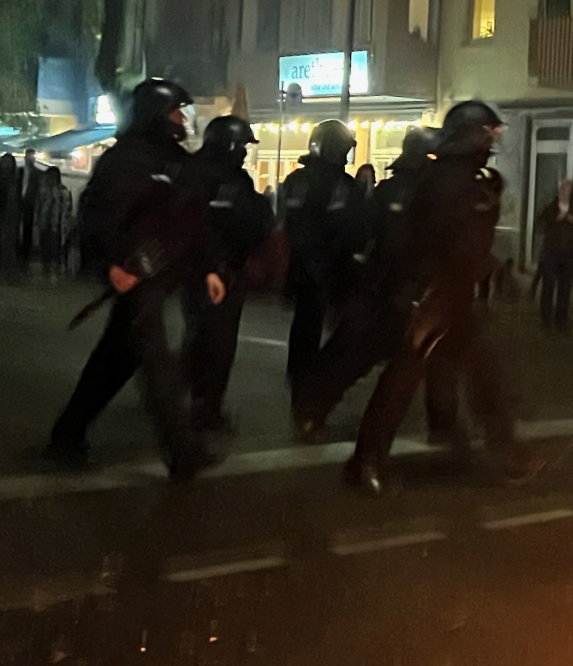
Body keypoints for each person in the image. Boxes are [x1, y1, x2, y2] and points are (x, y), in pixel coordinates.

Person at [343, 101, 533, 495]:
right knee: (402, 379)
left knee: (484, 374)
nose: (492, 141)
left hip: (450, 296)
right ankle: (365, 464)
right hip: (432, 296)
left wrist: (490, 268)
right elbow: (445, 240)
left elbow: (466, 240)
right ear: (470, 136)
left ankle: (507, 452)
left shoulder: (458, 176)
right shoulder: (449, 179)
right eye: (487, 134)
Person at [46, 78, 221, 480]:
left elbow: (193, 220)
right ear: (157, 114)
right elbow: (97, 218)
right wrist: (112, 265)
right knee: (157, 363)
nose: (183, 120)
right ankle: (182, 453)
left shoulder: (177, 161)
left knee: (115, 359)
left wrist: (208, 265)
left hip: (161, 275)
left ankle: (67, 433)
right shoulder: (126, 160)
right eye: (177, 112)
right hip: (135, 276)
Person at [290, 127, 463, 444]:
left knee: (427, 355)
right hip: (400, 292)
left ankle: (315, 409)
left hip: (395, 289)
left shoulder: (390, 191)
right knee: (370, 355)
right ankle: (322, 414)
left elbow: (365, 236)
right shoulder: (419, 195)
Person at [179, 116, 274, 434]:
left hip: (208, 269)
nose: (246, 152)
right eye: (243, 145)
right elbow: (242, 220)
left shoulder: (200, 171)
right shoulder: (218, 177)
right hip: (217, 271)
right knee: (216, 344)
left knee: (201, 337)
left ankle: (191, 399)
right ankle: (204, 408)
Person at [279, 119, 362, 405]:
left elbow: (288, 223)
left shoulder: (295, 180)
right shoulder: (342, 185)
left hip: (301, 266)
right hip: (332, 268)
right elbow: (352, 229)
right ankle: (313, 391)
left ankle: (302, 384)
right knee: (343, 333)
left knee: (305, 329)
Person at [536, 179, 573, 334]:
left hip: (569, 254)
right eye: (563, 189)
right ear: (559, 191)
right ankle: (546, 320)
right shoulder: (551, 208)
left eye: (568, 189)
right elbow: (540, 224)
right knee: (548, 288)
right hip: (551, 253)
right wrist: (556, 220)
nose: (565, 192)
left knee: (564, 290)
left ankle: (561, 320)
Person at [35, 167, 72, 280]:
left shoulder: (63, 190)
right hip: (45, 223)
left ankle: (53, 272)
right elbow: (38, 206)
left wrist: (65, 224)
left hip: (57, 224)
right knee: (45, 247)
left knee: (54, 248)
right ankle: (46, 271)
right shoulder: (43, 190)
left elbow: (67, 209)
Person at [18, 148, 41, 266]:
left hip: (29, 203)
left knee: (27, 228)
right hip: (18, 202)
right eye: (28, 156)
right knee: (17, 227)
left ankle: (25, 253)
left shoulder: (37, 174)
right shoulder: (19, 171)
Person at [0, 155, 18, 276]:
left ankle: (7, 269)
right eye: (4, 163)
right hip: (5, 213)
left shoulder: (15, 180)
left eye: (8, 163)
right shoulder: (13, 180)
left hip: (9, 214)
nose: (6, 165)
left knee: (8, 243)